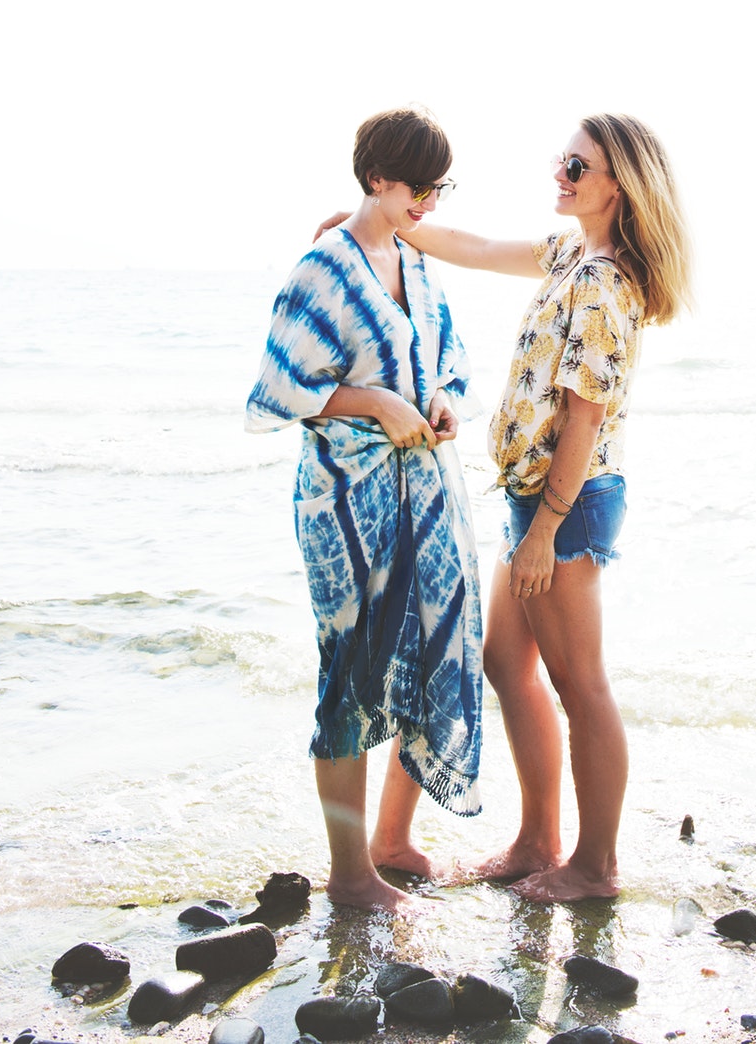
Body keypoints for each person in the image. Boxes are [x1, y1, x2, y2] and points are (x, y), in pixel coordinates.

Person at [317, 112, 691, 901]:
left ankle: (595, 866)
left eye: (577, 167)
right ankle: (538, 839)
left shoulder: (602, 281)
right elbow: (479, 251)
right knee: (504, 663)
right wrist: (376, 224)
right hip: (538, 501)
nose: (561, 174)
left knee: (579, 683)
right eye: (563, 160)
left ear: (618, 184)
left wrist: (544, 533)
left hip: (569, 506)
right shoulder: (570, 255)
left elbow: (584, 419)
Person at [247, 106, 484, 913]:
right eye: (420, 184)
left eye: (440, 186)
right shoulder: (323, 268)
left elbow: (449, 361)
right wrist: (378, 401)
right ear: (378, 176)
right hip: (345, 500)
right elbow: (282, 391)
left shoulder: (416, 262)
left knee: (428, 652)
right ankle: (349, 875)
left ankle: (392, 844)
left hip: (426, 491)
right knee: (350, 672)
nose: (430, 200)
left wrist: (443, 403)